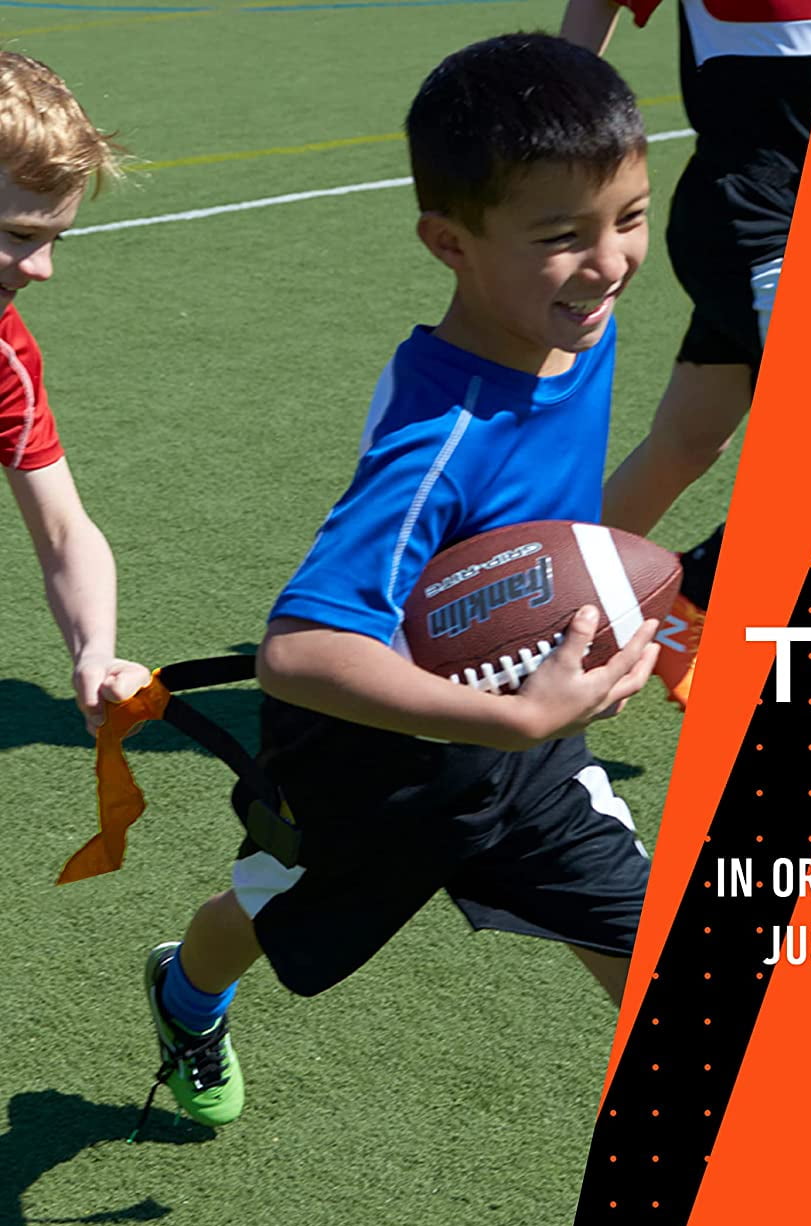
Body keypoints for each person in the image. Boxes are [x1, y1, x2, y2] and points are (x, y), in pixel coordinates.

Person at [139, 34, 660, 1130]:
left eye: (629, 216)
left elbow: (543, 540)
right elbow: (301, 654)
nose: (609, 262)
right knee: (264, 903)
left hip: (527, 753)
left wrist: (618, 617)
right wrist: (501, 717)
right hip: (378, 770)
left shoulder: (575, 332)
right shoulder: (441, 436)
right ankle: (186, 993)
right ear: (449, 243)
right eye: (562, 237)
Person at [561, 0, 811, 704]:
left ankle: (539, 607)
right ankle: (696, 594)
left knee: (686, 443)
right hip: (761, 220)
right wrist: (563, 118)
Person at [0, 52, 150, 731]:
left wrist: (96, 652)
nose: (43, 268)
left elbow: (63, 530)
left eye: (56, 238)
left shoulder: (6, 357)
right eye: (19, 236)